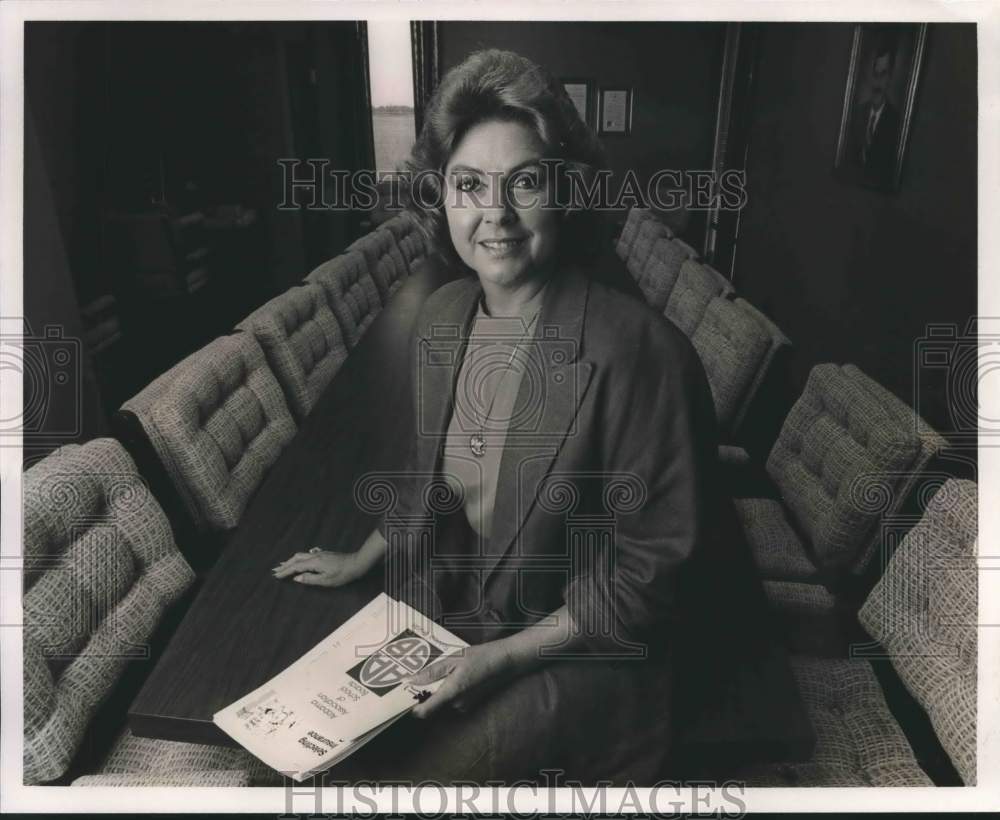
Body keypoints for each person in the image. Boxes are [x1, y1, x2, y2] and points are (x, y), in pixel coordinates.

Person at [273, 48, 782, 784]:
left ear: (568, 193)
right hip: (471, 605)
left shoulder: (643, 353)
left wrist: (495, 660)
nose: (495, 214)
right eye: (469, 184)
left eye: (526, 183)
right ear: (439, 197)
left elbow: (643, 582)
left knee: (410, 781)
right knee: (324, 752)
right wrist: (362, 556)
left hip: (591, 653)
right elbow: (432, 475)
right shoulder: (445, 315)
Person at [850, 37, 902, 189]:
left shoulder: (896, 122)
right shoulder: (857, 114)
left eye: (883, 74)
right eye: (875, 73)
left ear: (890, 78)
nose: (878, 81)